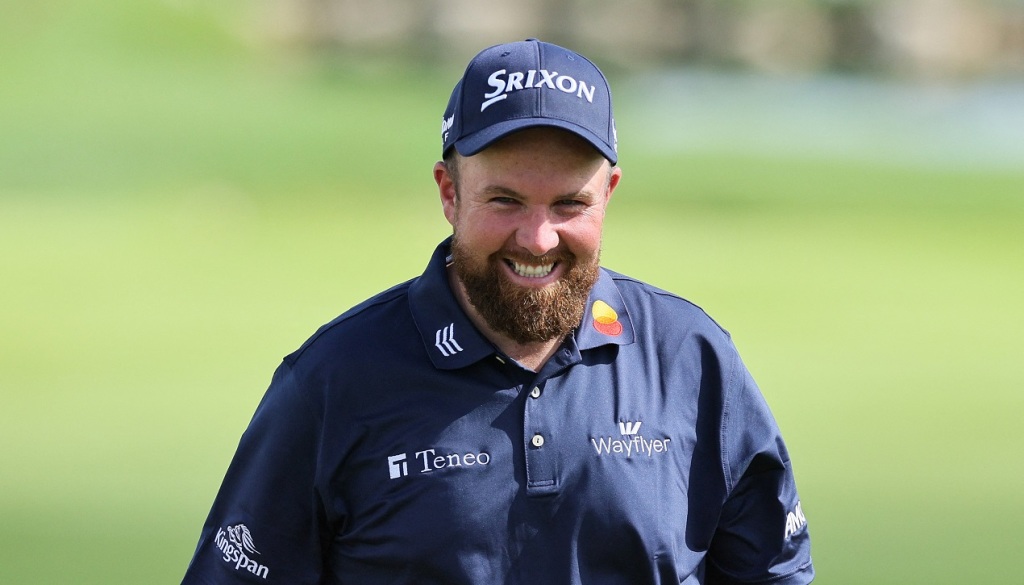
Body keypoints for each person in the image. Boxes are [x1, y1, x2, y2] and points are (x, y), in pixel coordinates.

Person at [181, 38, 814, 585]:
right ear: (449, 193)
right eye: (506, 200)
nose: (538, 239)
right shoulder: (334, 380)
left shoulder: (690, 359)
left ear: (609, 195)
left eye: (569, 204)